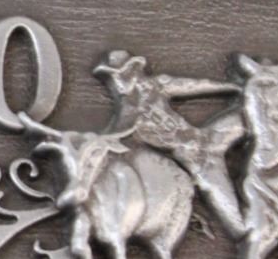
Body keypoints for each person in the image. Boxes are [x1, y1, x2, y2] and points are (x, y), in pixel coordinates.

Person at [93, 51, 248, 236]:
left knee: (254, 115)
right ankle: (242, 230)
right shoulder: (125, 118)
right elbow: (114, 143)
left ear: (135, 70)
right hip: (193, 156)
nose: (118, 81)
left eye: (122, 73)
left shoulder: (157, 85)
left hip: (206, 137)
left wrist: (234, 87)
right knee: (216, 189)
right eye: (113, 76)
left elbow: (193, 85)